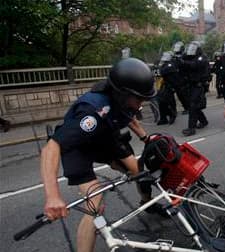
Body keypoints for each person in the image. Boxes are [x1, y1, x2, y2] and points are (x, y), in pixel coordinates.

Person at [40, 58, 162, 252]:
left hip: (104, 137)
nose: (141, 103)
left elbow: (129, 118)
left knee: (140, 173)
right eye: (139, 98)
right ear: (122, 93)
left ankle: (147, 203)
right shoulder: (93, 112)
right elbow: (51, 147)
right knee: (95, 206)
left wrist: (146, 139)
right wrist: (53, 196)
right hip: (79, 147)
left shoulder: (124, 101)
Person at [180, 41, 210, 137]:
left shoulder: (202, 58)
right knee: (193, 105)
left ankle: (191, 128)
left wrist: (183, 62)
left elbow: (195, 65)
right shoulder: (190, 58)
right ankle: (203, 121)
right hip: (191, 85)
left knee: (193, 105)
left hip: (199, 85)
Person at [157, 51, 178, 125]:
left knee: (169, 102)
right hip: (163, 85)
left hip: (170, 86)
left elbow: (163, 71)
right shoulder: (164, 64)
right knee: (161, 102)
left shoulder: (171, 64)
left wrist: (159, 68)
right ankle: (163, 118)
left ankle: (172, 114)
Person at [172, 41, 190, 114]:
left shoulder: (186, 55)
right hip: (177, 78)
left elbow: (187, 66)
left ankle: (188, 107)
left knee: (185, 94)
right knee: (180, 95)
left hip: (184, 78)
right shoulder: (174, 56)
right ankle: (185, 107)